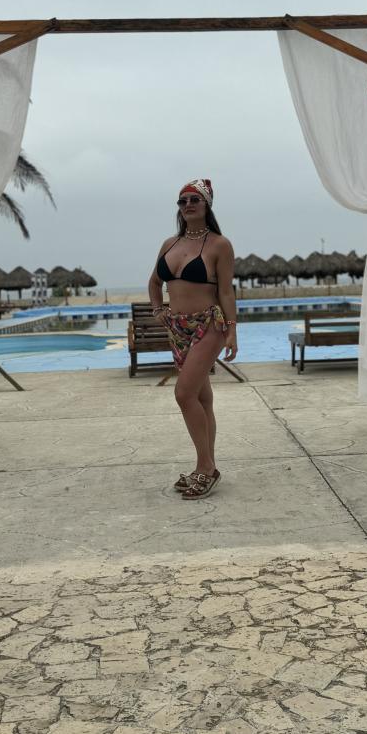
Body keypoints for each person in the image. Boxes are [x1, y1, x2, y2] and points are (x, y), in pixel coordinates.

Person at [148, 178, 237, 499]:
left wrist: (232, 330)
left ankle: (205, 468)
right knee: (202, 398)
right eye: (182, 201)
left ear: (206, 204)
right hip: (178, 328)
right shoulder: (169, 244)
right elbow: (155, 282)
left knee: (184, 394)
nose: (188, 205)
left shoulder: (220, 245)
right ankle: (208, 465)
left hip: (209, 324)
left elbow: (226, 291)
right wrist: (158, 309)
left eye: (194, 199)